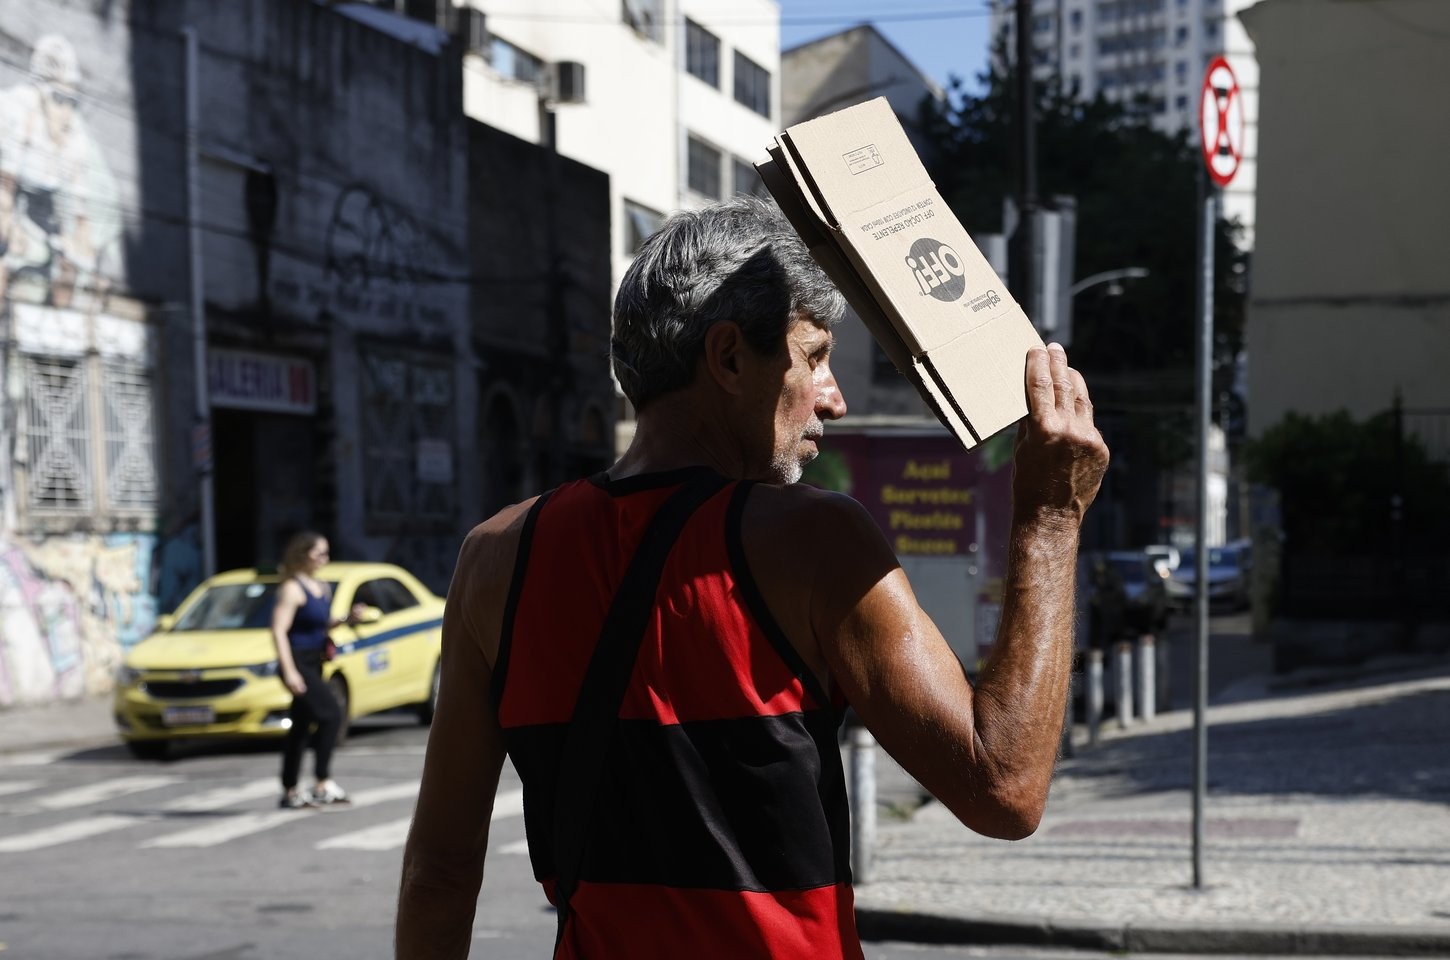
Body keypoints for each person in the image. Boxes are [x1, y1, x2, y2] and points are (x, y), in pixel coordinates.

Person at [395, 198, 1109, 958]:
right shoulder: (813, 541)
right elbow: (1002, 786)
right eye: (814, 356)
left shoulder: (496, 556)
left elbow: (440, 871)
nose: (833, 397)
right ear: (730, 357)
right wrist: (1050, 519)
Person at [270, 530, 364, 809]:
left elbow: (318, 625)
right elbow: (278, 630)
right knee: (331, 715)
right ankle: (322, 782)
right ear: (303, 554)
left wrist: (346, 619)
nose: (325, 558)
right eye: (319, 553)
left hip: (315, 661)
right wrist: (290, 671)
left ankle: (290, 790)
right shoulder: (292, 588)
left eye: (327, 552)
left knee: (300, 727)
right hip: (297, 662)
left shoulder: (322, 587)